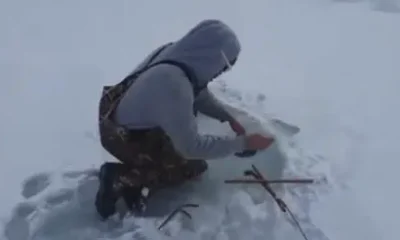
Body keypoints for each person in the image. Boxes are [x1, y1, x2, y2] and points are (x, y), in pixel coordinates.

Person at [95, 19, 274, 220]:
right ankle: (122, 179)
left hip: (117, 112)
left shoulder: (178, 54)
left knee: (182, 143)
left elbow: (197, 92)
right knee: (190, 168)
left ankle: (139, 172)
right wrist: (244, 143)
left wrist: (227, 117)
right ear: (213, 58)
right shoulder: (173, 85)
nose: (220, 74)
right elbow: (191, 148)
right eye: (224, 67)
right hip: (122, 136)